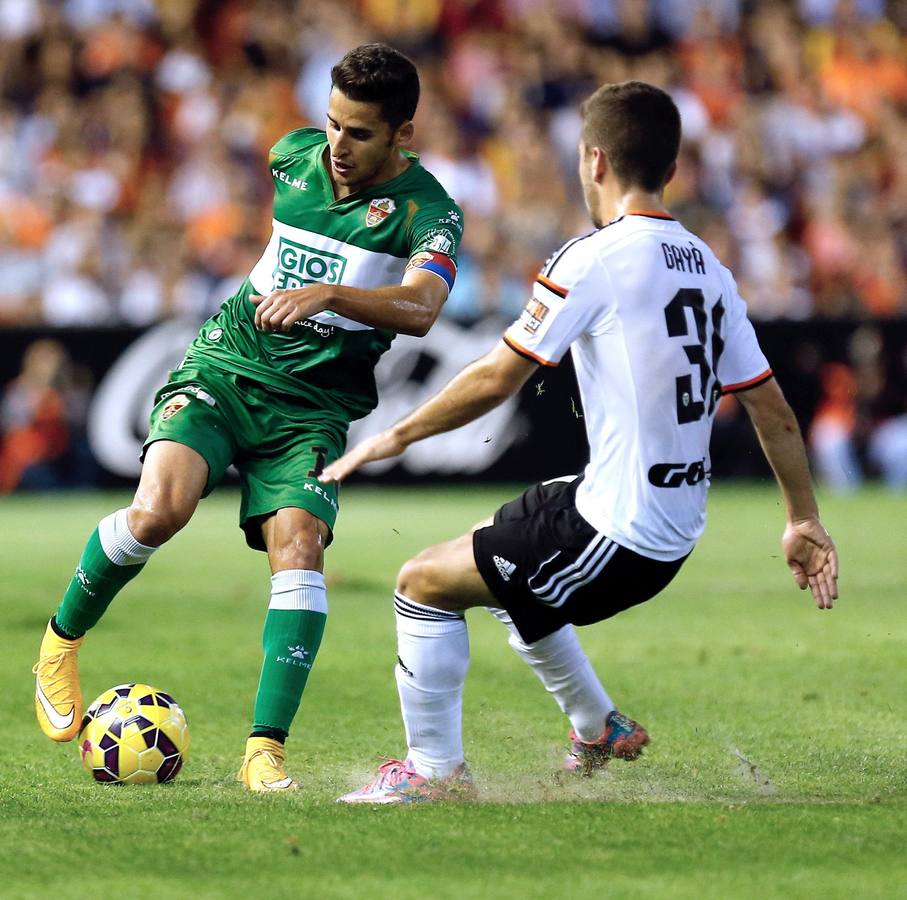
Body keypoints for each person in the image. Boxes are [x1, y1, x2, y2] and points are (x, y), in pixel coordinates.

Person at [319, 81, 839, 804]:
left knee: (421, 585)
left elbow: (499, 377)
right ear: (671, 167)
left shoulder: (593, 258)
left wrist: (392, 436)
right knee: (493, 551)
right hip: (661, 520)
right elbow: (773, 410)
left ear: (593, 161)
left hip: (619, 534)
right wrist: (802, 519)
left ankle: (433, 773)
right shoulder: (709, 268)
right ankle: (598, 726)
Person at [32, 43, 464, 792]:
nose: (337, 146)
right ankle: (59, 644)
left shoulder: (430, 211)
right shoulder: (291, 155)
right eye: (331, 124)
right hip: (226, 368)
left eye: (359, 133)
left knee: (299, 549)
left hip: (314, 411)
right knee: (160, 511)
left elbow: (424, 307)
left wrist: (328, 295)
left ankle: (264, 751)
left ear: (403, 134)